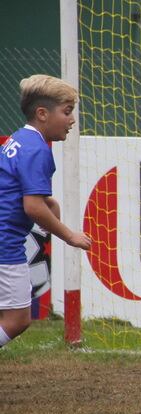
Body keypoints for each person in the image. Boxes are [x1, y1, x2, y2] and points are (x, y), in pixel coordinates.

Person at [0, 74, 92, 347]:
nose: (72, 120)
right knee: (17, 319)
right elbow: (33, 206)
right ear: (42, 114)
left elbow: (19, 190)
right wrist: (69, 236)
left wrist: (48, 203)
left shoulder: (18, 139)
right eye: (67, 112)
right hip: (5, 244)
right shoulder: (38, 150)